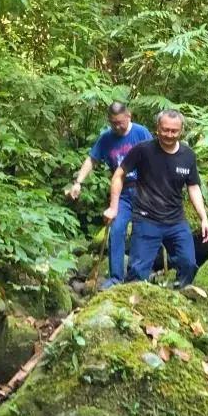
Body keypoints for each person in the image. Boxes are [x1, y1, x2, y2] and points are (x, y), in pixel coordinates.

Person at [108, 109, 208, 287]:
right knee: (137, 272)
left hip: (176, 221)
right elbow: (119, 175)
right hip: (146, 219)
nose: (169, 135)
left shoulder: (188, 156)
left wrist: (204, 218)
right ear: (157, 128)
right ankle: (131, 306)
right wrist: (113, 206)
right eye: (165, 130)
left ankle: (179, 296)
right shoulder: (143, 150)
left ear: (181, 131)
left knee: (188, 264)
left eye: (174, 131)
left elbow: (193, 187)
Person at [67, 101, 153, 288]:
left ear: (128, 116)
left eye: (120, 122)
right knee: (117, 229)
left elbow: (155, 157)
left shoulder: (141, 132)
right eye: (113, 123)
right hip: (121, 192)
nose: (117, 127)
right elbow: (92, 159)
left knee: (142, 231)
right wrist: (78, 182)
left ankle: (138, 277)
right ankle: (116, 277)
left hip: (143, 189)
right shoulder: (106, 138)